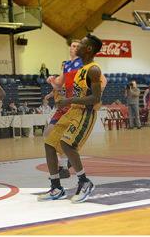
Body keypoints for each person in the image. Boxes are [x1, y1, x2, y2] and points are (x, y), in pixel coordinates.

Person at [40, 34, 103, 203]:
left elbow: (96, 98)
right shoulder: (80, 69)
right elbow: (71, 90)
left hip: (85, 113)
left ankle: (84, 182)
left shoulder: (94, 69)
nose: (76, 47)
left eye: (81, 44)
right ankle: (56, 187)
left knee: (67, 144)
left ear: (88, 49)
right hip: (71, 110)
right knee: (49, 143)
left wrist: (70, 100)